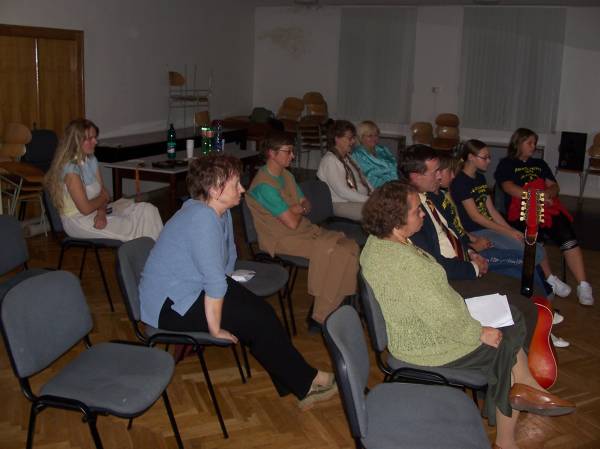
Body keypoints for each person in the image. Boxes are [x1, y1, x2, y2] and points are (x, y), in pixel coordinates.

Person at [360, 181, 575, 449]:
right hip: (427, 344)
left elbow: (433, 303)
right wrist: (478, 331)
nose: (423, 214)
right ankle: (508, 436)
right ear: (395, 222)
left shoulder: (379, 242)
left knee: (511, 316)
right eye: (417, 211)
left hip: (432, 320)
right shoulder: (405, 265)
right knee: (505, 346)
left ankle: (525, 387)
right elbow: (441, 317)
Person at [139, 154, 337, 408]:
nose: (242, 189)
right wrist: (215, 329)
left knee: (262, 314)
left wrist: (232, 291)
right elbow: (215, 281)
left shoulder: (218, 213)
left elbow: (226, 260)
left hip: (192, 288)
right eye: (236, 184)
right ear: (214, 190)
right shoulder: (202, 218)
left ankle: (300, 380)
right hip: (171, 305)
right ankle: (305, 382)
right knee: (257, 320)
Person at [398, 145, 542, 349]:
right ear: (415, 176)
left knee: (526, 288)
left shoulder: (431, 197)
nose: (440, 176)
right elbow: (435, 265)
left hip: (462, 264)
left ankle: (532, 340)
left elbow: (454, 234)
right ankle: (521, 355)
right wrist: (473, 267)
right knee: (523, 305)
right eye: (435, 171)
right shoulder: (411, 213)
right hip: (449, 281)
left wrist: (472, 252)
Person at [246, 133, 359, 325]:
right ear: (272, 153)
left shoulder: (286, 175)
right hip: (282, 239)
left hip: (303, 231)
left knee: (350, 246)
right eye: (288, 151)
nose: (292, 156)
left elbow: (306, 204)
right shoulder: (264, 186)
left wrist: (296, 208)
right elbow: (291, 222)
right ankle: (322, 316)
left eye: (293, 151)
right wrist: (298, 209)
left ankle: (332, 305)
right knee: (337, 251)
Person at [451, 139, 569, 298]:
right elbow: (476, 217)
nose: (489, 161)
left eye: (489, 157)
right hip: (478, 231)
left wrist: (510, 230)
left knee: (533, 248)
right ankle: (546, 287)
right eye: (484, 157)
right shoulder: (460, 182)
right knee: (534, 253)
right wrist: (507, 232)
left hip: (490, 227)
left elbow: (492, 211)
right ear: (471, 157)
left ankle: (547, 285)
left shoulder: (480, 178)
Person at [495, 128, 594, 306]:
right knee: (534, 238)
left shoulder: (540, 164)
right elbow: (509, 188)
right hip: (522, 209)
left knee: (568, 237)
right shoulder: (507, 164)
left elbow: (554, 186)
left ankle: (583, 285)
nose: (534, 146)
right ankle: (550, 278)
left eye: (534, 142)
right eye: (529, 143)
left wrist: (547, 194)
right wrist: (536, 197)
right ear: (518, 143)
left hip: (546, 206)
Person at [45, 118, 162, 240]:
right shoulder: (71, 171)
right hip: (79, 221)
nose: (95, 141)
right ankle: (152, 250)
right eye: (90, 138)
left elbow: (104, 193)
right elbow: (86, 208)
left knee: (148, 210)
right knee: (133, 225)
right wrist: (103, 198)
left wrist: (101, 213)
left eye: (95, 137)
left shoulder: (91, 160)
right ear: (77, 142)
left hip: (98, 212)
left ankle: (160, 250)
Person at [316, 120, 372, 221]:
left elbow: (363, 179)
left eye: (353, 138)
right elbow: (343, 192)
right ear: (337, 139)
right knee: (378, 213)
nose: (353, 141)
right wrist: (369, 200)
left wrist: (374, 193)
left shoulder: (348, 157)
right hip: (340, 203)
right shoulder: (330, 160)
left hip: (357, 200)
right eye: (350, 138)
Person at [351, 120, 398, 188]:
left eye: (376, 135)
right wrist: (389, 170)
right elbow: (368, 175)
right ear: (361, 137)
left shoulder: (383, 149)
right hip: (372, 189)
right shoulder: (357, 154)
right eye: (370, 136)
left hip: (393, 185)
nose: (374, 138)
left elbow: (394, 164)